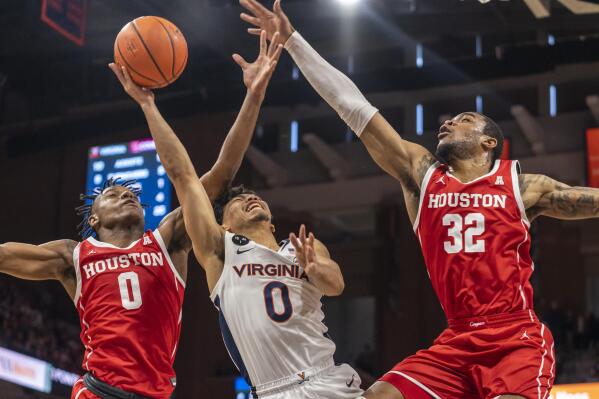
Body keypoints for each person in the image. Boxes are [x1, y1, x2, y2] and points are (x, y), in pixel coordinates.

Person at [238, 1, 599, 398]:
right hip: (457, 339)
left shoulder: (521, 185)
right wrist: (293, 41)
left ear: (488, 142)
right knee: (377, 396)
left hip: (514, 336)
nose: (447, 123)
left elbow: (590, 200)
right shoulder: (422, 177)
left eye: (463, 120)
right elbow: (353, 107)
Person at [0, 33, 278, 399]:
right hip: (98, 390)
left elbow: (221, 173)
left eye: (131, 194)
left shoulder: (169, 239)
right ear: (94, 221)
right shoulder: (73, 256)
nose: (126, 195)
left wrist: (254, 96)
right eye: (113, 195)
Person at [123, 29, 364, 399]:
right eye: (239, 200)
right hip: (271, 391)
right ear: (224, 222)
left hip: (325, 379)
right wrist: (148, 106)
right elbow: (183, 175)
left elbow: (337, 285)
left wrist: (317, 269)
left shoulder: (301, 249)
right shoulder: (220, 251)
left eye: (256, 198)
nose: (252, 199)